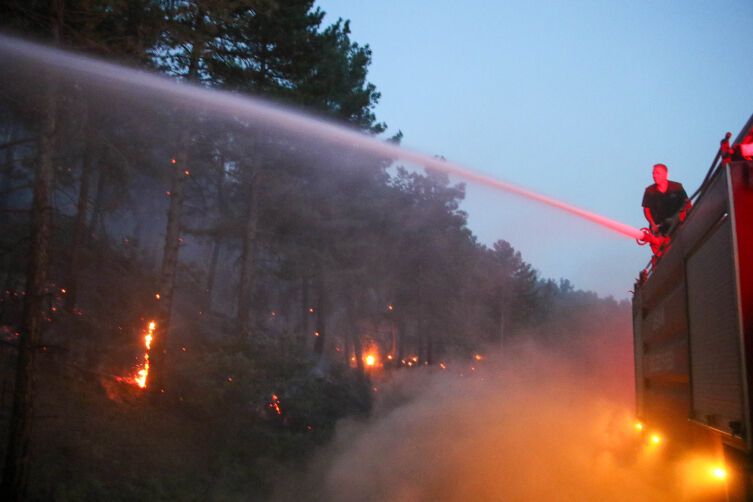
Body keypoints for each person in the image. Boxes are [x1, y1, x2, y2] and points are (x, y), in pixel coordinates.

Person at [642, 163, 691, 236]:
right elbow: (646, 210)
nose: (654, 176)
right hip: (659, 229)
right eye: (653, 173)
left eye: (657, 173)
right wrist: (653, 224)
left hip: (677, 226)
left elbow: (688, 204)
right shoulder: (649, 191)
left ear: (666, 174)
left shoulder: (677, 187)